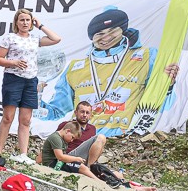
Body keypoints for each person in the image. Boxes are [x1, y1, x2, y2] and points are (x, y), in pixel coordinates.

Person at [44, 8, 176, 138]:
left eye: (112, 31)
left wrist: (167, 86)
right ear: (92, 37)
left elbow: (163, 106)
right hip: (81, 139)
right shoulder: (75, 68)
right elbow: (56, 111)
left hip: (125, 139)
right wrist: (35, 99)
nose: (106, 37)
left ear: (122, 30)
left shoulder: (147, 56)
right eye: (99, 33)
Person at [0, 9, 61, 165]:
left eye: (27, 20)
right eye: (22, 20)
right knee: (8, 117)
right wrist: (13, 62)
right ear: (16, 22)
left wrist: (41, 26)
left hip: (31, 81)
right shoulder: (10, 38)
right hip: (13, 79)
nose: (25, 23)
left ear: (32, 22)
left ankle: (23, 154)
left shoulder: (35, 39)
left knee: (25, 120)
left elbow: (56, 39)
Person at [55, 102, 105, 167]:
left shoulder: (92, 129)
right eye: (82, 112)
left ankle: (91, 167)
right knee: (101, 137)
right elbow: (54, 141)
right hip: (69, 157)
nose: (84, 115)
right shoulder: (66, 125)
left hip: (84, 159)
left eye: (87, 113)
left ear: (91, 115)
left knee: (117, 174)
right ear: (76, 113)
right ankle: (89, 168)